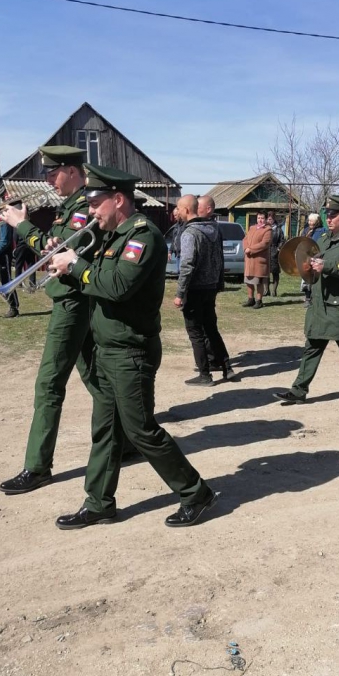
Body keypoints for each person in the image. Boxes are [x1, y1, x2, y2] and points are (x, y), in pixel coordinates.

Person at [47, 163, 218, 530]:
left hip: (131, 351)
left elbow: (116, 286)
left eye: (95, 204)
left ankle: (196, 492)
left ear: (118, 199)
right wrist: (64, 261)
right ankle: (99, 502)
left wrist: (76, 266)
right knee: (105, 429)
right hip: (107, 348)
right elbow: (94, 279)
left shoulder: (143, 236)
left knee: (141, 430)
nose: (90, 212)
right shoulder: (111, 235)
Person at [0, 145, 100, 494]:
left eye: (52, 174)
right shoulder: (70, 206)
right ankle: (128, 441)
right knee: (96, 379)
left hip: (73, 301)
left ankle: (37, 466)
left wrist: (21, 224)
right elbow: (53, 248)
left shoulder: (85, 206)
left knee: (48, 384)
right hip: (75, 298)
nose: (49, 181)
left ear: (71, 170)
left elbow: (57, 252)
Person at [273, 197, 339, 406]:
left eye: (334, 215)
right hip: (320, 303)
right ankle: (299, 390)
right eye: (327, 214)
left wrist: (327, 266)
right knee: (312, 346)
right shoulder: (323, 238)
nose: (329, 218)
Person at [173, 194, 230, 386]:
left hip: (195, 289)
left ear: (187, 210)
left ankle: (205, 375)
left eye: (179, 208)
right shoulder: (215, 229)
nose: (177, 211)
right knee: (211, 329)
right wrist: (219, 283)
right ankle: (227, 368)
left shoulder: (190, 233)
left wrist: (180, 293)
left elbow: (187, 265)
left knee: (196, 332)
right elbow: (220, 259)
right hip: (210, 287)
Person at [242, 212, 272, 309]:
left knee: (258, 281)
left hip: (259, 260)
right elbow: (245, 239)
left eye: (262, 218)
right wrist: (246, 248)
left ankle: (259, 301)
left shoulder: (268, 230)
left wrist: (251, 249)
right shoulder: (252, 228)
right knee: (249, 281)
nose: (260, 220)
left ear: (266, 219)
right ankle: (251, 299)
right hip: (249, 259)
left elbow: (264, 244)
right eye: (258, 218)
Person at [300, 213, 327, 306]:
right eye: (309, 220)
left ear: (316, 221)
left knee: (316, 278)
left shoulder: (323, 231)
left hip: (317, 257)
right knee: (307, 278)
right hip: (307, 257)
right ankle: (307, 298)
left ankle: (316, 298)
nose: (309, 222)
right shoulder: (306, 230)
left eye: (312, 221)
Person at [266, 211, 286, 297]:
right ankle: (266, 290)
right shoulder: (264, 228)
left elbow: (282, 240)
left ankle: (274, 290)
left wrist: (278, 248)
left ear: (274, 219)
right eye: (268, 218)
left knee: (275, 272)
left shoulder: (278, 229)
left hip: (275, 252)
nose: (269, 220)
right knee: (265, 273)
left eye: (271, 219)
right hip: (265, 251)